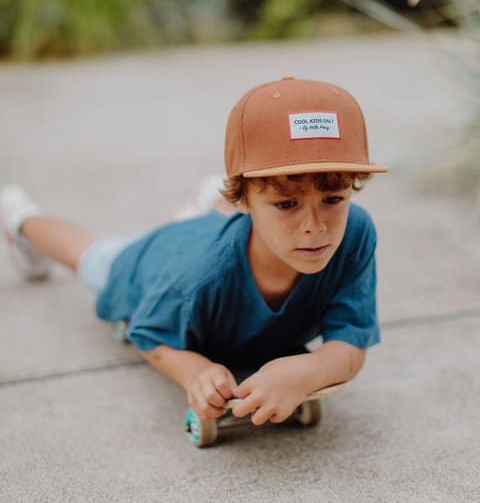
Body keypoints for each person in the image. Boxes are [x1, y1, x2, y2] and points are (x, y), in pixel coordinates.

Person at [0, 77, 387, 426]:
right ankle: (20, 218)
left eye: (333, 198)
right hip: (157, 258)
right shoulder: (199, 275)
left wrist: (312, 370)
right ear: (244, 199)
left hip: (219, 233)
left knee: (232, 229)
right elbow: (148, 334)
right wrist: (197, 371)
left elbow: (352, 341)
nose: (314, 225)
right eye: (286, 204)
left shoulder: (354, 233)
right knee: (89, 257)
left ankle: (208, 206)